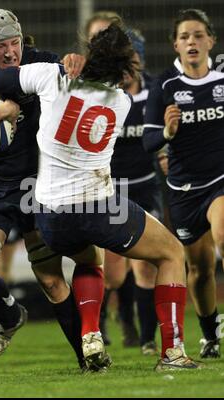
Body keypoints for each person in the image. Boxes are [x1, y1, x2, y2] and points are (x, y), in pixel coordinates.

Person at [0, 23, 200, 371]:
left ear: (88, 53)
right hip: (98, 206)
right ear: (127, 66)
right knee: (171, 252)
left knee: (87, 260)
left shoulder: (51, 75)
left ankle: (91, 333)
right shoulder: (121, 101)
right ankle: (172, 353)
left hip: (48, 215)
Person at [0, 9, 91, 371]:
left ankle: (87, 359)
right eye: (0, 47)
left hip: (35, 186)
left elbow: (79, 91)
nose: (10, 52)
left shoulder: (41, 62)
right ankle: (10, 316)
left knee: (52, 279)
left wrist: (77, 64)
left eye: (14, 43)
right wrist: (3, 111)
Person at [143, 9, 222, 358]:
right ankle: (210, 335)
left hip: (220, 179)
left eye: (199, 35)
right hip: (185, 188)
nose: (192, 41)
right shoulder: (164, 85)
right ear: (175, 44)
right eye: (185, 36)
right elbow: (148, 142)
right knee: (200, 269)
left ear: (211, 41)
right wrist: (168, 131)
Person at [84, 12, 159, 355]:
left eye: (135, 59)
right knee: (113, 275)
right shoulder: (103, 98)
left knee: (146, 266)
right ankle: (100, 327)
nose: (130, 66)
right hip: (112, 193)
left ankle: (145, 339)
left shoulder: (155, 94)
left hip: (145, 188)